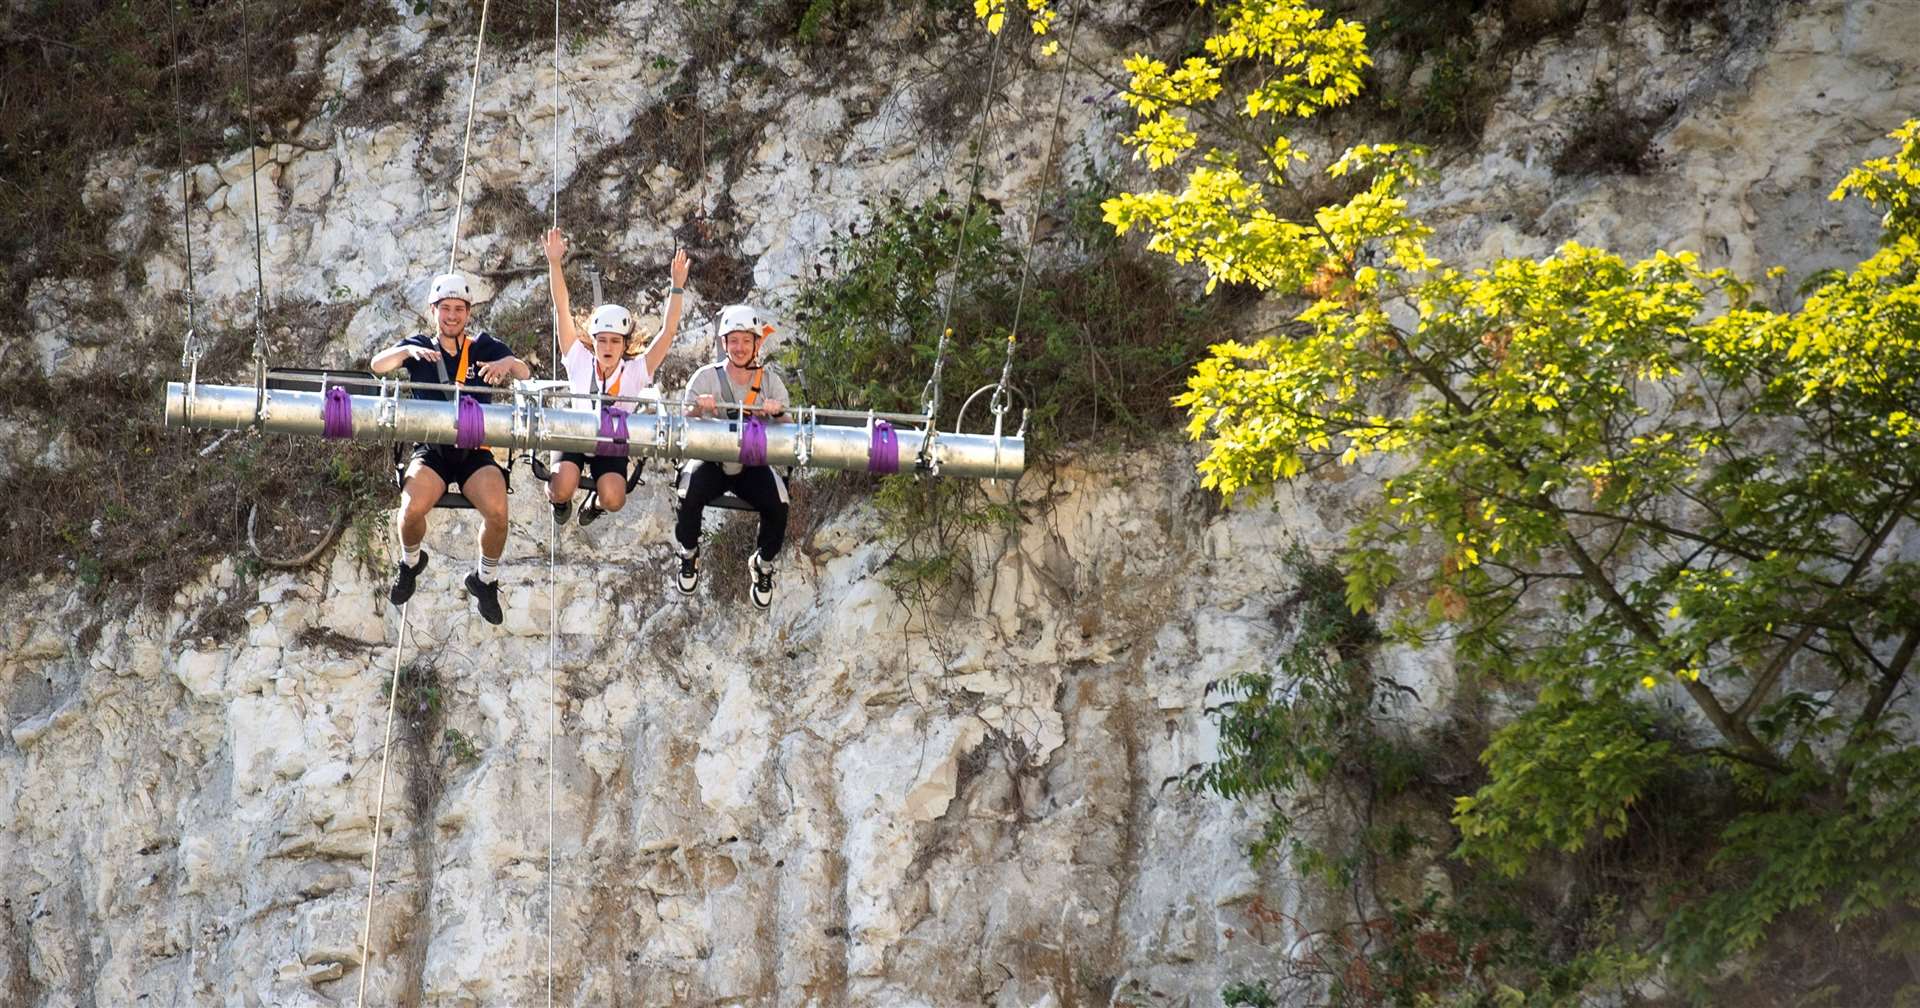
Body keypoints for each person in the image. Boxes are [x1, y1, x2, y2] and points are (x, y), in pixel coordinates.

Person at [368, 272, 531, 624]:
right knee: (411, 510)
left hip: (474, 450)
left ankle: (484, 579)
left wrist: (507, 364)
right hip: (433, 449)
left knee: (499, 512)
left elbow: (525, 372)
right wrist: (405, 351)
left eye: (459, 309)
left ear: (468, 313)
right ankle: (411, 562)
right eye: (446, 309)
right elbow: (377, 366)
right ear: (434, 311)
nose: (452, 316)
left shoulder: (484, 346)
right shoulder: (420, 347)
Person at [541, 228, 689, 526]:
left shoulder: (636, 371)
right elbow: (562, 308)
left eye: (615, 341)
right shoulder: (579, 358)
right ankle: (559, 501)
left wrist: (677, 288)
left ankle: (594, 502)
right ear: (592, 341)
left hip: (612, 441)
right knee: (562, 486)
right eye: (602, 340)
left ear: (625, 344)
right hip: (577, 433)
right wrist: (555, 263)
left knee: (614, 499)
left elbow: (667, 333)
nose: (608, 347)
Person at [674, 305, 792, 609]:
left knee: (779, 504)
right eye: (733, 341)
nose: (740, 348)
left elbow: (789, 428)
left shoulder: (769, 382)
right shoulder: (705, 378)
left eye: (746, 341)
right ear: (724, 343)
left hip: (751, 463)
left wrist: (776, 413)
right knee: (688, 493)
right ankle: (689, 552)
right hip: (712, 459)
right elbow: (683, 419)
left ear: (755, 344)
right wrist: (699, 408)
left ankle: (762, 563)